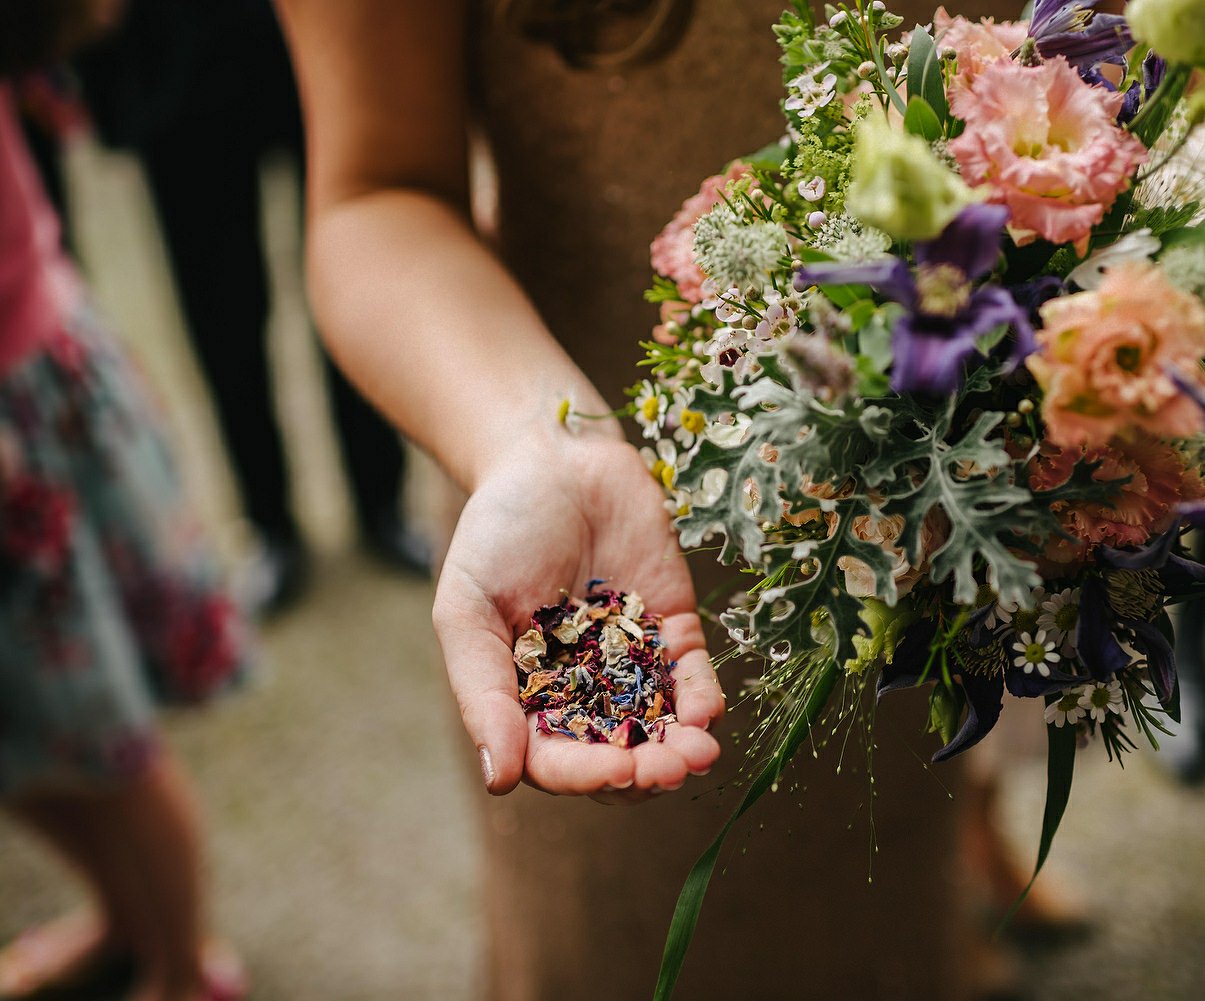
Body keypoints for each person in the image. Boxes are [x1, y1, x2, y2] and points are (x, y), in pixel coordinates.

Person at [272, 0, 1031, 997]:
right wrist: (533, 444)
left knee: (891, 910)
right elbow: (376, 192)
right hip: (608, 500)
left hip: (922, 514)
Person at [0, 6, 251, 1000]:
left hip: (21, 421)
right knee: (27, 735)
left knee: (106, 734)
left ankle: (188, 966)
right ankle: (125, 918)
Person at [66, 0, 431, 615]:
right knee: (219, 310)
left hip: (312, 33)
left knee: (355, 259)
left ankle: (381, 498)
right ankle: (268, 525)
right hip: (174, 49)